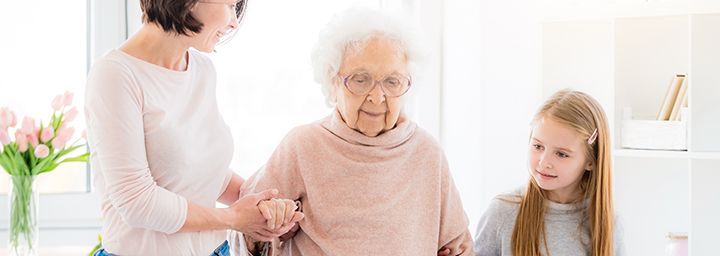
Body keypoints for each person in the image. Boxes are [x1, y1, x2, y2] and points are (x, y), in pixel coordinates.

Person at [239, 8, 474, 256]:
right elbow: (246, 230)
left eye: (392, 81)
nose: (376, 97)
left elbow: (459, 245)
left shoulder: (427, 152)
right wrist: (272, 225)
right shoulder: (303, 145)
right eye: (361, 79)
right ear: (333, 81)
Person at [85, 1, 301, 255]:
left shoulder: (202, 69)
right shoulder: (116, 75)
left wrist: (264, 205)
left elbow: (202, 173)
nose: (233, 22)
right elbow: (136, 202)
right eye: (230, 5)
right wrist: (233, 219)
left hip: (216, 250)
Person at [473, 89, 624, 256]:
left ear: (591, 162)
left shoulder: (608, 223)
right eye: (538, 146)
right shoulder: (502, 212)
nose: (544, 162)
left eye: (561, 154)